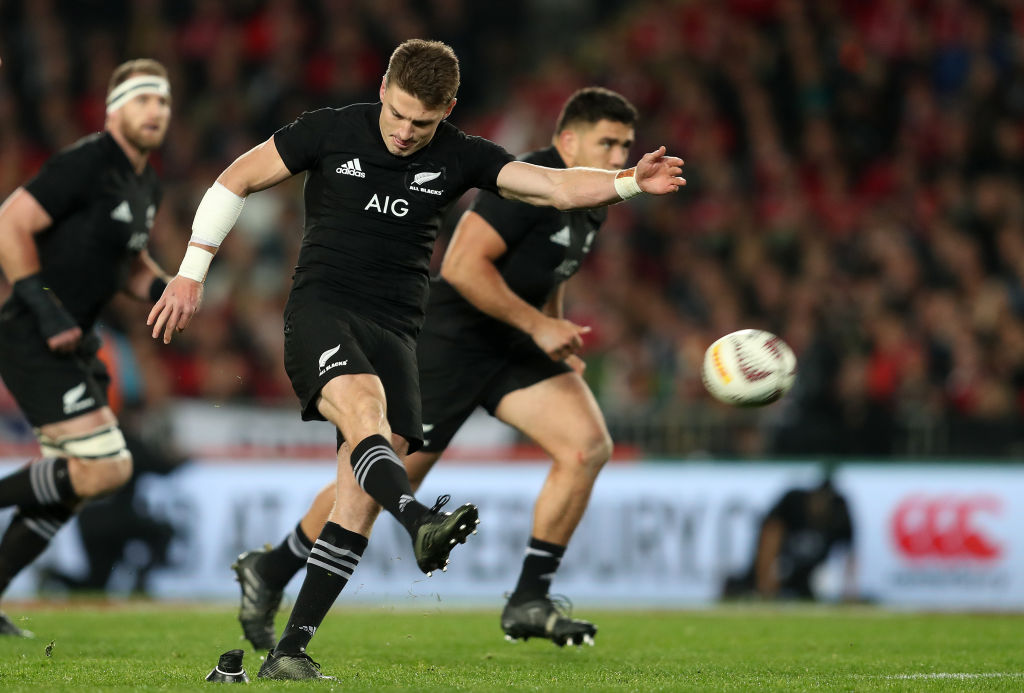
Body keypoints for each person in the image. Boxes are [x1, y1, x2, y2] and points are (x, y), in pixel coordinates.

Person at [149, 39, 683, 681]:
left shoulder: (462, 154)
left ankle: (289, 651)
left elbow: (547, 184)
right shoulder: (328, 130)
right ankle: (420, 517)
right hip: (325, 309)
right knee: (367, 418)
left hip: (399, 330)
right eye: (398, 114)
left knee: (357, 497)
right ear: (383, 88)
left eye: (422, 122)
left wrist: (628, 182)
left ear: (447, 109)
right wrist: (190, 272)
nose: (405, 133)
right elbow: (234, 179)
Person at [231, 86, 638, 654]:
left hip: (515, 345)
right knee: (378, 483)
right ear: (569, 140)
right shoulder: (533, 180)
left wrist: (553, 325)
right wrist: (537, 324)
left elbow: (552, 271)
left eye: (625, 145)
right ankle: (274, 569)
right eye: (609, 142)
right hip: (454, 342)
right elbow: (463, 266)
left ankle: (529, 596)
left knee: (587, 445)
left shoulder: (592, 200)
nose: (619, 154)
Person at [0, 59, 172, 636]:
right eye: (143, 98)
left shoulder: (146, 181)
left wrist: (162, 288)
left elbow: (127, 263)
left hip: (78, 338)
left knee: (75, 485)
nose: (155, 111)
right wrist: (45, 309)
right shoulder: (87, 161)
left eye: (164, 101)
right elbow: (10, 223)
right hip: (34, 329)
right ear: (114, 108)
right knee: (106, 468)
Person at [722, 476, 856, 601]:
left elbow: (849, 553)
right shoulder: (793, 502)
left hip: (811, 576)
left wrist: (849, 591)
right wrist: (764, 581)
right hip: (783, 566)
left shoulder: (840, 511)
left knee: (825, 582)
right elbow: (770, 537)